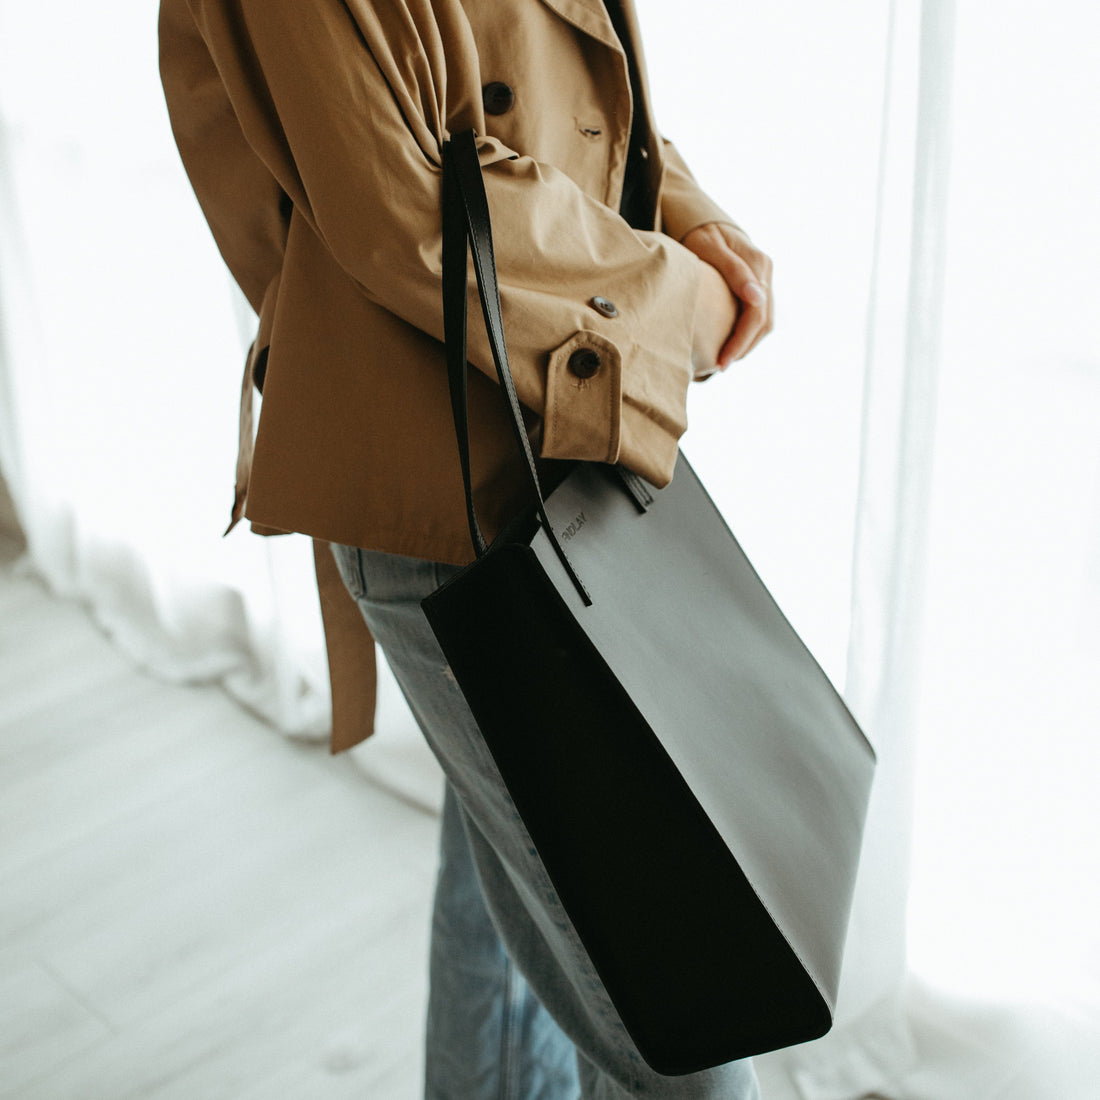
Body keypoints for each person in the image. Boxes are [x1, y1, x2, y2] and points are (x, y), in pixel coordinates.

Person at [159, 0, 773, 1095]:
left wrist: (687, 213)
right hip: (450, 474)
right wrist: (671, 299)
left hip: (565, 418)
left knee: (518, 875)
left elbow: (554, 86)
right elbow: (405, 209)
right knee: (672, 992)